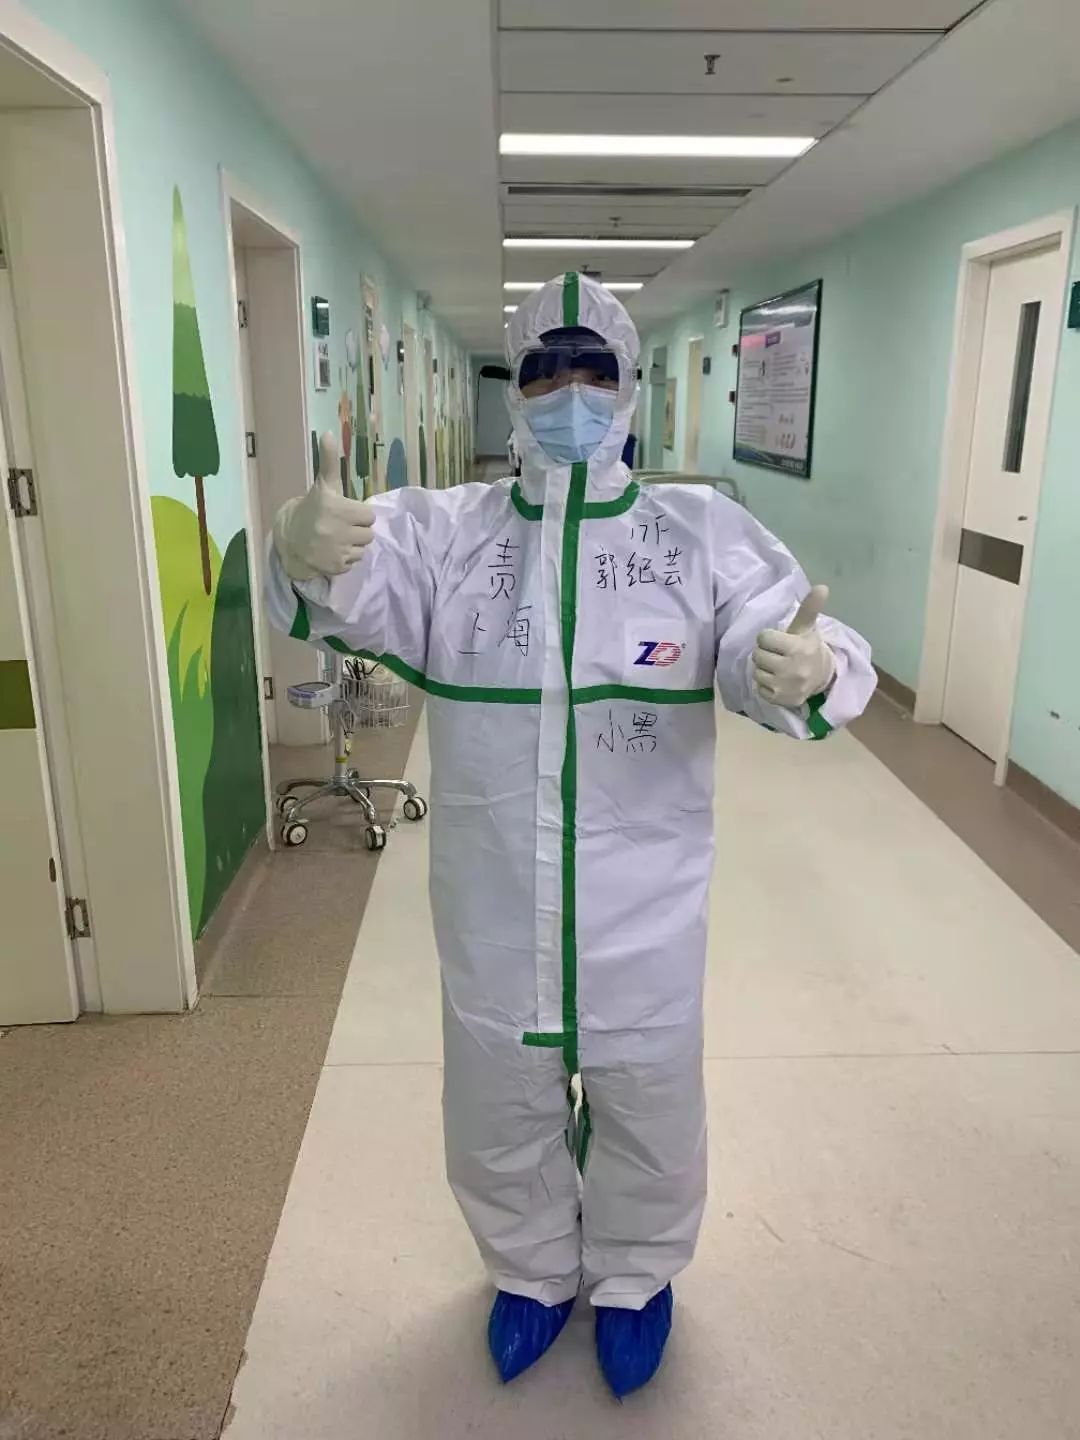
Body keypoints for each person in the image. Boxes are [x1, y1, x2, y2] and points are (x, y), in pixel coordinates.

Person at [267, 273, 876, 1399]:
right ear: (517, 390)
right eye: (545, 372)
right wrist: (303, 548)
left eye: (592, 369)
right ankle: (533, 1272)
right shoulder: (450, 533)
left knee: (650, 1091)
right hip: (495, 898)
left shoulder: (695, 532)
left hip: (645, 901)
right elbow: (355, 581)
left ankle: (637, 1278)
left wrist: (808, 664)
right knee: (497, 1094)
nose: (570, 395)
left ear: (628, 384)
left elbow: (771, 623)